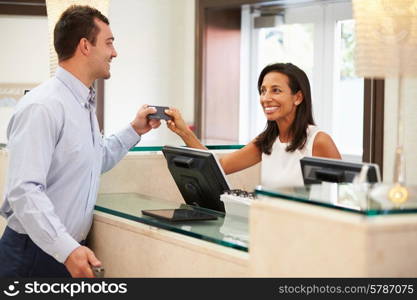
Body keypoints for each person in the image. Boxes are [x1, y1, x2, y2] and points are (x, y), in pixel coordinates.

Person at [0, 5, 161, 278]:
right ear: (85, 46)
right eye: (109, 43)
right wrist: (67, 250)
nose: (114, 52)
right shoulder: (43, 105)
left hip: (64, 250)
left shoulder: (82, 104)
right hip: (33, 254)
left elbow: (92, 159)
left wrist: (135, 129)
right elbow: (24, 190)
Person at [165, 62, 341, 187]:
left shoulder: (318, 142)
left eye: (276, 90)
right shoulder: (267, 141)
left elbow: (345, 199)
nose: (266, 98)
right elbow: (219, 168)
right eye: (263, 91)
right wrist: (184, 132)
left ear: (298, 97)